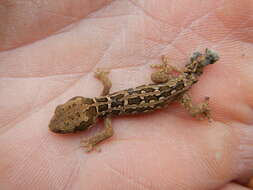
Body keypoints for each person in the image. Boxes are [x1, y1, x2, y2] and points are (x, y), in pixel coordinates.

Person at [0, 0, 253, 189]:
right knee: (157, 77)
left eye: (72, 127)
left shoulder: (106, 115)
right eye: (69, 123)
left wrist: (93, 140)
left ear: (86, 119)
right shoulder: (105, 99)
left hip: (177, 93)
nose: (66, 126)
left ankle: (201, 104)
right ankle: (190, 68)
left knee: (192, 111)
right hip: (169, 83)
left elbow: (108, 132)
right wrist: (102, 77)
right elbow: (107, 92)